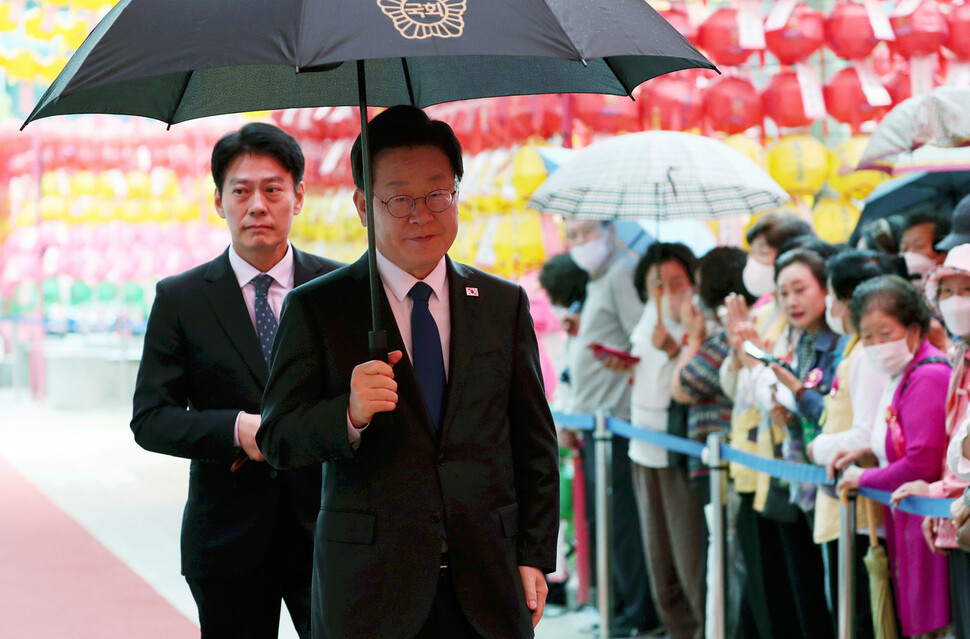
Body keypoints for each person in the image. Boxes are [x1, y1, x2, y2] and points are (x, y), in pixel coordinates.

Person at [256, 105, 560, 639]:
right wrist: (347, 414)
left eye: (438, 193)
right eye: (398, 198)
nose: (421, 213)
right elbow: (278, 438)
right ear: (361, 205)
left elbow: (534, 443)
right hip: (371, 590)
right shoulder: (319, 308)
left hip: (487, 584)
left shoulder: (500, 303)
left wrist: (534, 554)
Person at [130, 123, 341, 639]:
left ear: (299, 196)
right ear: (219, 202)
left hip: (330, 533)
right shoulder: (182, 298)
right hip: (226, 538)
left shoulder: (340, 290)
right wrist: (236, 430)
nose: (258, 206)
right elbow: (150, 420)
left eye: (272, 189)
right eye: (240, 191)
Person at [836, 275, 952, 638]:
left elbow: (922, 463)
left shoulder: (928, 376)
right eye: (866, 336)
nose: (874, 345)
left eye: (884, 334)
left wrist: (862, 478)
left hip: (929, 526)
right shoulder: (904, 372)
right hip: (909, 520)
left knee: (934, 623)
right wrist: (870, 450)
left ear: (913, 330)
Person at [564, 218, 660, 638]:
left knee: (622, 521)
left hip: (616, 420)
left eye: (586, 231)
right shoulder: (597, 278)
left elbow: (641, 336)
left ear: (610, 229)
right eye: (571, 234)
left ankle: (635, 612)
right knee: (603, 521)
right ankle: (617, 604)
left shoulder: (622, 272)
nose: (579, 242)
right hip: (594, 419)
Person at [745, 248, 842, 639]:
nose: (791, 302)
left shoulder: (838, 342)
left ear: (825, 289)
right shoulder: (800, 338)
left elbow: (825, 411)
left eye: (800, 289)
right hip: (799, 482)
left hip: (831, 487)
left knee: (831, 591)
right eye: (783, 293)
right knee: (804, 589)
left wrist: (793, 395)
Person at [807, 250, 902, 639]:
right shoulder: (854, 351)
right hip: (849, 505)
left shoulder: (866, 355)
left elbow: (867, 433)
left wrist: (817, 448)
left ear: (846, 301)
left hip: (860, 511)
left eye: (829, 295)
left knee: (859, 613)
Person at [628, 242, 705, 639]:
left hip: (679, 452)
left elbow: (700, 382)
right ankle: (677, 631)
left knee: (689, 557)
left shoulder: (697, 321)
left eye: (676, 282)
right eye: (657, 284)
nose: (667, 291)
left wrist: (676, 348)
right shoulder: (646, 318)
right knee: (659, 562)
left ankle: (703, 629)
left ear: (693, 283)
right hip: (642, 449)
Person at [895, 244, 970, 638]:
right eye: (947, 291)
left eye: (967, 290)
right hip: (959, 522)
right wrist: (938, 494)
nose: (956, 302)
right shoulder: (959, 355)